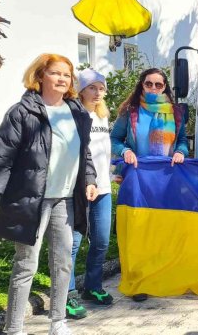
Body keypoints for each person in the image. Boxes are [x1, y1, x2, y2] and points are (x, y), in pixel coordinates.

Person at [0, 53, 98, 335]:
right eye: (55, 73)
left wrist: (89, 179)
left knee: (63, 263)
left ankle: (58, 322)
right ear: (40, 75)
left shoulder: (77, 112)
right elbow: (2, 157)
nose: (62, 79)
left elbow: (84, 153)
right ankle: (14, 328)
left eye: (66, 74)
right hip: (32, 199)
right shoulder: (23, 112)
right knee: (26, 264)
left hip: (65, 199)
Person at [110, 67, 188, 302]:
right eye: (149, 84)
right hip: (138, 177)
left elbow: (182, 140)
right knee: (139, 228)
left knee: (161, 227)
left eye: (159, 85)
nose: (154, 88)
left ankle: (160, 275)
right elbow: (115, 139)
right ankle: (140, 279)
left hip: (166, 178)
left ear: (165, 87)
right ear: (141, 85)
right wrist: (125, 151)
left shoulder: (176, 112)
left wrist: (181, 152)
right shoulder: (131, 111)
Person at [65, 69, 115, 321]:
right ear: (81, 90)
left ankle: (92, 287)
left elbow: (103, 153)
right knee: (72, 244)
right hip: (78, 189)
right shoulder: (74, 114)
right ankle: (68, 293)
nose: (97, 93)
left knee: (101, 241)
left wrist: (112, 170)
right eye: (92, 87)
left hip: (103, 188)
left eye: (101, 88)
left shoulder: (102, 116)